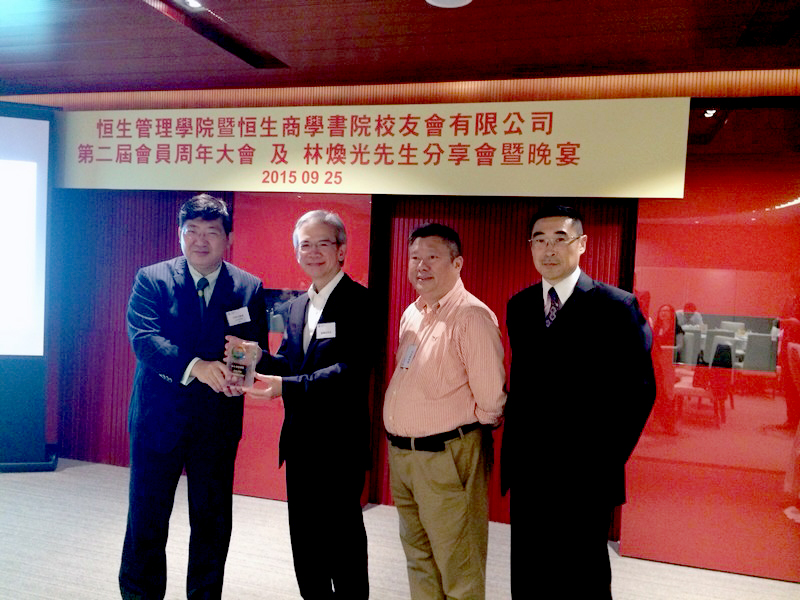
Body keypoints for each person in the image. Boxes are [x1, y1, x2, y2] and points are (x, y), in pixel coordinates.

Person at [119, 194, 270, 600]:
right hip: (158, 418)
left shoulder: (249, 286)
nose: (201, 241)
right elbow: (145, 340)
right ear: (180, 234)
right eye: (192, 232)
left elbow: (255, 347)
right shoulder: (151, 279)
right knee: (147, 517)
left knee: (212, 519)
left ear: (229, 238)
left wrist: (251, 357)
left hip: (217, 421)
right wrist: (197, 367)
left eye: (211, 233)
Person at [501, 205, 655, 599]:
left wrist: (604, 460)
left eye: (559, 239)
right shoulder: (520, 306)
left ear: (582, 244)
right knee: (530, 573)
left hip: (586, 475)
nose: (548, 249)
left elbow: (638, 392)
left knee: (582, 576)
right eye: (539, 240)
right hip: (531, 471)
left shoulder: (617, 306)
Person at [229, 210, 371, 599]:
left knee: (342, 545)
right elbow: (290, 365)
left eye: (323, 243)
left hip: (340, 446)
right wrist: (258, 357)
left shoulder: (361, 302)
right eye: (305, 245)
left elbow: (349, 373)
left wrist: (285, 388)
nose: (313, 252)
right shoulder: (295, 307)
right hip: (299, 443)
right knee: (305, 544)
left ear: (341, 251)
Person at [383, 223, 506, 600]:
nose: (421, 265)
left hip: (446, 456)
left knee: (459, 565)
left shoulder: (470, 316)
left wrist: (462, 440)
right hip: (404, 455)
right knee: (418, 557)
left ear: (457, 263)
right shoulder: (413, 314)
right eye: (415, 257)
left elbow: (492, 400)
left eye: (432, 257)